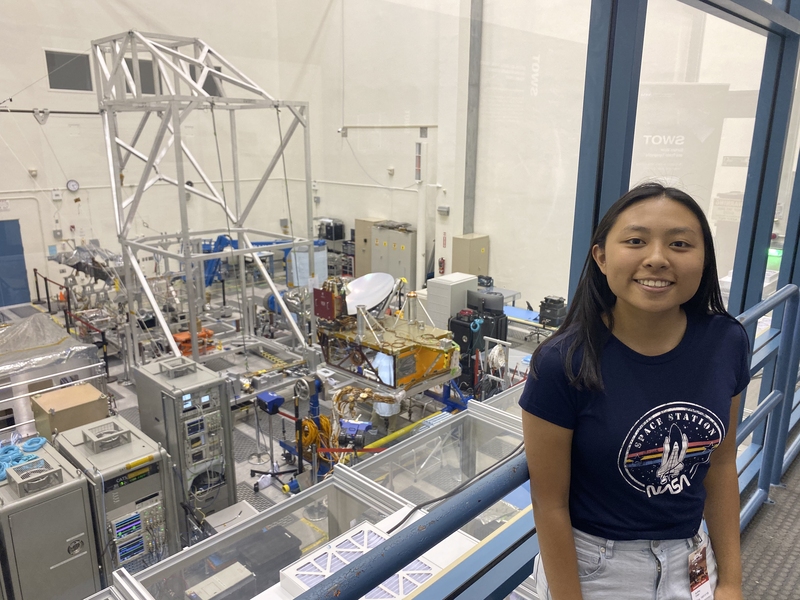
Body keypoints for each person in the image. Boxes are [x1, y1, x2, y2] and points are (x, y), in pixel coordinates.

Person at [519, 183, 750, 600]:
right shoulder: (563, 362)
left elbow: (720, 465)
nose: (657, 258)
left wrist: (731, 582)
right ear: (602, 258)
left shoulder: (726, 342)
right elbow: (550, 505)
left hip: (692, 554)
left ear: (704, 259)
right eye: (636, 241)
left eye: (680, 243)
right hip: (595, 568)